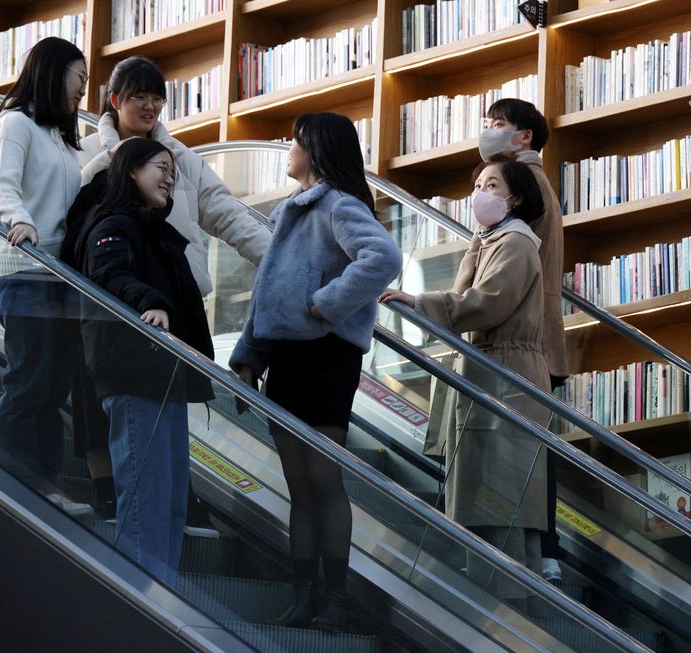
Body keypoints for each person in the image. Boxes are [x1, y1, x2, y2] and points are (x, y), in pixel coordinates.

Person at [72, 56, 270, 531]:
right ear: (114, 100)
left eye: (158, 98)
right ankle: (109, 492)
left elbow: (230, 216)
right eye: (139, 96)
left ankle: (171, 497)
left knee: (168, 407)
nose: (150, 106)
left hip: (172, 302)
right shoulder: (84, 154)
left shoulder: (181, 159)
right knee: (100, 398)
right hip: (109, 296)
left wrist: (281, 263)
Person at [229, 112, 402, 632]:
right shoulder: (293, 210)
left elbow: (383, 258)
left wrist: (324, 305)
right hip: (286, 356)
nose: (288, 148)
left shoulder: (337, 204)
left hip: (325, 355)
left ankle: (334, 598)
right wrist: (248, 355)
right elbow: (265, 295)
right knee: (299, 485)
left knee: (323, 478)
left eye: (295, 141)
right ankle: (304, 595)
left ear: (317, 149)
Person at [380, 156, 551, 594]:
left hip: (504, 376)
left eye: (491, 184)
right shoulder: (492, 240)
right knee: (488, 498)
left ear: (514, 198)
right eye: (477, 184)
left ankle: (505, 607)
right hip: (489, 373)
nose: (479, 193)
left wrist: (418, 302)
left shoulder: (515, 244)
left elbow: (484, 302)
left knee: (500, 499)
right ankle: (498, 602)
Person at [68, 137, 215, 584]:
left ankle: (161, 598)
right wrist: (150, 300)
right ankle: (139, 604)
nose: (170, 177)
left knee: (168, 502)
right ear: (130, 169)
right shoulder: (112, 223)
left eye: (173, 171)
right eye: (160, 167)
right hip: (134, 372)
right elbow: (108, 273)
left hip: (164, 373)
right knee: (146, 497)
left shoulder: (154, 231)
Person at [0, 37, 89, 513]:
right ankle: (9, 483)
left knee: (54, 387)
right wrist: (18, 219)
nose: (83, 92)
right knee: (29, 381)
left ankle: (44, 483)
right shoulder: (15, 124)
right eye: (80, 79)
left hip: (61, 279)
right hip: (26, 271)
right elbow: (3, 187)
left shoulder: (63, 140)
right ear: (53, 72)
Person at [480, 98, 569, 582]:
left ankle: (539, 551)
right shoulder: (538, 181)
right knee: (533, 444)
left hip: (521, 339)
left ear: (525, 137)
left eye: (498, 125)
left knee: (521, 448)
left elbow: (507, 262)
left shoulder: (524, 183)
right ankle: (544, 550)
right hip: (539, 336)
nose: (488, 132)